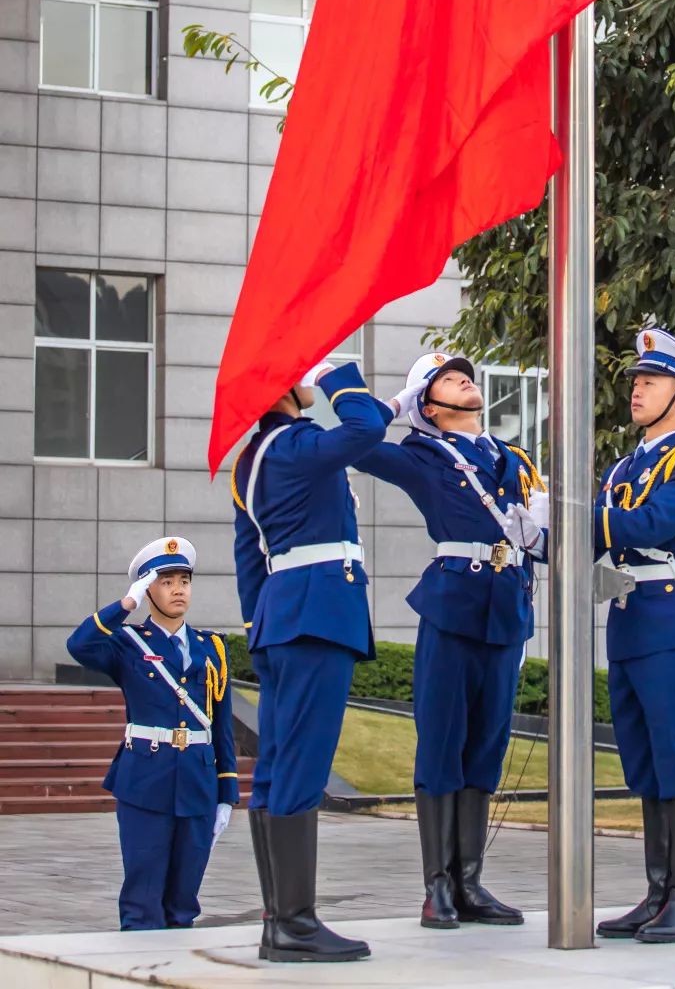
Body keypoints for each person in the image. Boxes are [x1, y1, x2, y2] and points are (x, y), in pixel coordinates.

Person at [347, 351, 547, 931]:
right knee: (442, 743)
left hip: (507, 607)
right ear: (430, 406)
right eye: (445, 380)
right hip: (454, 604)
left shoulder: (514, 459)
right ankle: (436, 885)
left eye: (465, 375)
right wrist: (393, 407)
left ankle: (470, 883)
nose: (464, 379)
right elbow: (356, 445)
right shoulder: (424, 455)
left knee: (486, 746)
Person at [231, 359, 394, 964]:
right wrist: (337, 373)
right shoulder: (296, 443)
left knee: (276, 765)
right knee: (301, 763)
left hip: (283, 616)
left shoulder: (257, 458)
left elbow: (249, 557)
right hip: (317, 613)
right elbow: (359, 432)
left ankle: (282, 918)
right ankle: (294, 923)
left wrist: (261, 627)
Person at [593, 329, 675, 945]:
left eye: (650, 380)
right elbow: (599, 536)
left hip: (674, 619)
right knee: (644, 767)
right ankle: (657, 893)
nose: (636, 389)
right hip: (629, 619)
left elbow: (653, 522)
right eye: (635, 380)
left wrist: (580, 519)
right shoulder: (624, 466)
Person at [66, 537, 239, 932]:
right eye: (166, 581)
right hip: (146, 780)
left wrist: (226, 792)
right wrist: (126, 605)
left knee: (184, 901)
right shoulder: (128, 643)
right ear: (148, 590)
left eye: (184, 580)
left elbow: (221, 722)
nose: (178, 589)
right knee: (143, 899)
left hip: (197, 781)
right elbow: (79, 644)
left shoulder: (211, 647)